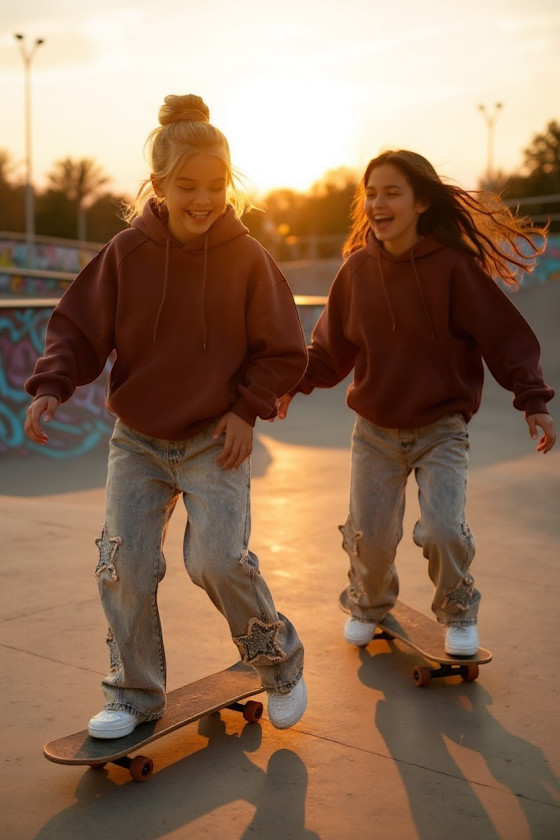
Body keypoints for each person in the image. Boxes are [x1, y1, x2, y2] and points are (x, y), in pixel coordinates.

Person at [24, 93, 308, 738]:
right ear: (158, 185)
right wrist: (52, 384)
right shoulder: (127, 254)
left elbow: (284, 349)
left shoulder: (246, 258)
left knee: (216, 560)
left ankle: (279, 663)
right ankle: (132, 694)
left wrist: (245, 411)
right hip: (139, 442)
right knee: (120, 562)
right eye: (187, 187)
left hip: (216, 440)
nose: (204, 200)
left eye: (216, 186)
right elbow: (78, 330)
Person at [275, 149, 556, 656]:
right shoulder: (357, 271)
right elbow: (330, 348)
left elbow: (504, 335)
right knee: (373, 540)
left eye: (392, 192)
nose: (378, 203)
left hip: (441, 428)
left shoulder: (453, 269)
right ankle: (368, 602)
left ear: (422, 201)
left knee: (445, 530)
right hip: (375, 432)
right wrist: (292, 384)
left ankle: (458, 612)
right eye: (372, 193)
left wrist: (532, 398)